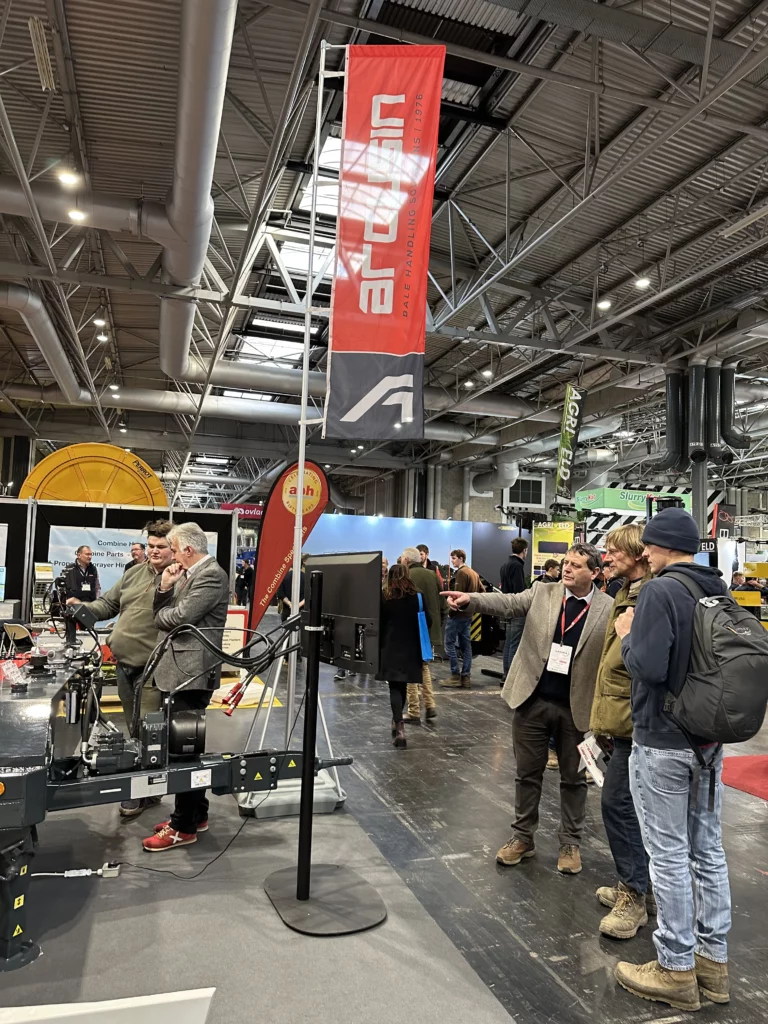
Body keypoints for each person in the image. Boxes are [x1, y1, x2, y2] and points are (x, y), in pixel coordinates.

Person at [614, 508, 731, 1012]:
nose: (644, 552)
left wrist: (626, 633)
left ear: (661, 546)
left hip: (662, 739)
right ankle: (713, 965)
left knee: (667, 855)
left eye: (649, 545)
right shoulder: (718, 589)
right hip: (709, 741)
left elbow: (648, 667)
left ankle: (675, 968)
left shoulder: (660, 591)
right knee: (708, 851)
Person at [443, 544, 612, 875]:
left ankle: (570, 843)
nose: (567, 569)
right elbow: (507, 603)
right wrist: (470, 600)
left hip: (577, 710)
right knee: (527, 775)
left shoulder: (608, 607)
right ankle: (522, 837)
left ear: (594, 573)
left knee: (574, 780)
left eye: (576, 565)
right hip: (532, 701)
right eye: (566, 562)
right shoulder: (543, 592)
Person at [67, 521, 175, 819]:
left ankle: (142, 791)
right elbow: (108, 604)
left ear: (174, 548)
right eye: (150, 545)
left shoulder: (177, 578)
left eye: (161, 546)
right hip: (124, 665)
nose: (154, 551)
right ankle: (148, 788)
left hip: (154, 666)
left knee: (149, 731)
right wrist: (81, 608)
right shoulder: (134, 573)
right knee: (133, 728)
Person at [142, 522, 229, 853]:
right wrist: (165, 587)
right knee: (185, 748)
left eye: (175, 550)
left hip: (190, 675)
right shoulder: (191, 574)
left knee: (184, 754)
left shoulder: (210, 575)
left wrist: (162, 612)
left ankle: (183, 827)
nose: (172, 556)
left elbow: (178, 618)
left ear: (189, 550)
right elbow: (172, 613)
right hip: (181, 672)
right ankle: (196, 814)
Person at [589, 524, 654, 939]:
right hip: (622, 718)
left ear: (638, 554)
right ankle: (640, 886)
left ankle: (634, 895)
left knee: (619, 805)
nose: (606, 557)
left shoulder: (649, 596)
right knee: (628, 806)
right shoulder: (625, 592)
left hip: (638, 721)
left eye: (614, 550)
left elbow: (645, 664)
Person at [378, 562, 431, 749]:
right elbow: (428, 621)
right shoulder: (418, 596)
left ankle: (399, 725)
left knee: (394, 686)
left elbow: (378, 623)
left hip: (390, 646)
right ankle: (397, 722)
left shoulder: (384, 596)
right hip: (412, 647)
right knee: (404, 685)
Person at [401, 547, 442, 723]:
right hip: (428, 630)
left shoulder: (406, 577)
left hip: (411, 629)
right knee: (424, 666)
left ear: (406, 560)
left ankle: (414, 711)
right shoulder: (432, 575)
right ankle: (430, 704)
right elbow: (442, 602)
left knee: (411, 669)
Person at [441, 549, 483, 688]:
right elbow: (482, 592)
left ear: (460, 558)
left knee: (449, 643)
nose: (452, 561)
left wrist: (451, 612)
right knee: (466, 646)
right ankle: (466, 677)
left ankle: (455, 675)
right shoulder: (474, 573)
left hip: (457, 614)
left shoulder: (461, 573)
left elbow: (456, 595)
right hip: (468, 615)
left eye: (454, 558)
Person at [500, 538, 528, 676]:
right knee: (514, 644)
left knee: (508, 642)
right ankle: (511, 677)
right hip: (517, 609)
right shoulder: (517, 566)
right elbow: (519, 590)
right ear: (524, 550)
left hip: (507, 608)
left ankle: (506, 675)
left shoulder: (505, 565)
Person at [62, 545, 100, 644]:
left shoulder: (93, 569)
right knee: (71, 637)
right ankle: (71, 644)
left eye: (91, 554)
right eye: (87, 554)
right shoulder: (69, 569)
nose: (90, 557)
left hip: (89, 606)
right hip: (73, 606)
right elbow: (63, 589)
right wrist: (66, 602)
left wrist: (97, 602)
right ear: (79, 555)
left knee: (88, 636)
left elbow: (97, 586)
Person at [277, 554, 306, 622]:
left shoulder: (283, 577)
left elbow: (280, 593)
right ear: (302, 565)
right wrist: (298, 605)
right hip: (301, 612)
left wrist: (290, 604)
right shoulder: (307, 577)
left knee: (286, 627)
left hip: (287, 610)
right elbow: (309, 595)